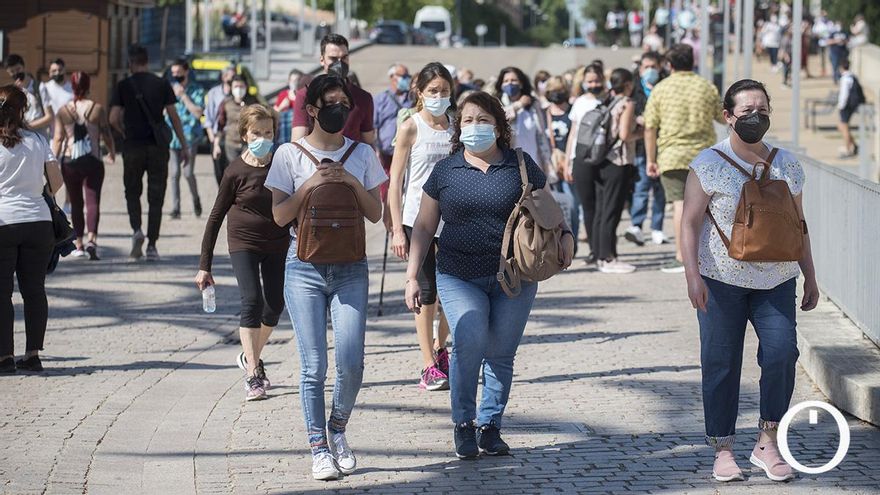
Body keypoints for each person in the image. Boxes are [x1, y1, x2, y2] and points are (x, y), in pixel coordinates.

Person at [404, 91, 574, 460]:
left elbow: (549, 209)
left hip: (515, 275)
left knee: (500, 353)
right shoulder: (446, 171)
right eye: (467, 120)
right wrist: (412, 274)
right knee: (468, 342)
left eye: (483, 120)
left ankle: (490, 426)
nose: (475, 127)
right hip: (458, 273)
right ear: (457, 127)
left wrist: (566, 236)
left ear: (499, 126)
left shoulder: (520, 164)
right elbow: (423, 225)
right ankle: (463, 425)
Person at [681, 79, 818, 483]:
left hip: (777, 279)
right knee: (721, 364)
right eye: (746, 112)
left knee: (781, 355)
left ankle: (767, 441)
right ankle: (723, 447)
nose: (756, 118)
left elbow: (800, 225)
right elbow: (689, 223)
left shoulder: (788, 164)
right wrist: (692, 276)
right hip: (719, 279)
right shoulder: (706, 164)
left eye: (763, 110)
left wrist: (811, 274)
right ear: (728, 117)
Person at [265, 74, 386, 480]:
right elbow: (280, 215)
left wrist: (349, 180)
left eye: (343, 102)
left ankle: (337, 429)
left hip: (352, 267)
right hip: (303, 269)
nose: (338, 109)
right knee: (313, 366)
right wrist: (310, 186)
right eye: (329, 102)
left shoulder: (363, 153)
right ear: (311, 109)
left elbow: (376, 213)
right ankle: (318, 446)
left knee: (351, 363)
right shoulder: (288, 153)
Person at [196, 104, 289, 402]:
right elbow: (215, 217)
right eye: (257, 132)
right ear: (245, 135)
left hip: (276, 242)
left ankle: (251, 355)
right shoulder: (235, 171)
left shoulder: (281, 164)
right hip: (243, 243)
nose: (263, 137)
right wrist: (204, 265)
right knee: (252, 300)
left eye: (268, 132)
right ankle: (252, 374)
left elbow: (295, 204)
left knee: (274, 305)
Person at [387, 62, 454, 392]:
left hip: (455, 219)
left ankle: (443, 349)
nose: (440, 97)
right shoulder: (411, 127)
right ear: (420, 93)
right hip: (418, 220)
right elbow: (395, 181)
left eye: (444, 91)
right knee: (427, 293)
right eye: (433, 92)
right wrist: (397, 228)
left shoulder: (457, 127)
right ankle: (428, 362)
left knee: (452, 291)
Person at [0, 84, 64, 374]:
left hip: (4, 222)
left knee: (2, 293)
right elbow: (56, 181)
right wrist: (38, 192)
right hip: (39, 222)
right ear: (23, 109)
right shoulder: (37, 140)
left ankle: (4, 358)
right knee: (34, 290)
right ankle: (33, 355)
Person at [644, 44, 724, 274]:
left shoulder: (661, 89)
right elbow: (721, 116)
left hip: (671, 155)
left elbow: (650, 127)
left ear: (669, 65)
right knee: (706, 207)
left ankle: (682, 255)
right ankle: (706, 254)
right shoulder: (706, 87)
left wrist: (651, 158)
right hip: (704, 156)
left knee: (679, 204)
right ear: (693, 62)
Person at [110, 45, 188, 262]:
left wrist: (124, 132)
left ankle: (137, 230)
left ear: (131, 63)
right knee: (157, 197)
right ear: (147, 62)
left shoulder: (123, 86)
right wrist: (184, 145)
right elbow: (173, 116)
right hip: (158, 147)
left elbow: (113, 118)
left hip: (133, 146)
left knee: (132, 192)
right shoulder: (162, 84)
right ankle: (152, 245)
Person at [50, 71, 115, 260]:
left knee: (76, 203)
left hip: (70, 162)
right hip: (93, 160)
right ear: (88, 86)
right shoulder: (97, 108)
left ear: (72, 86)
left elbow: (58, 138)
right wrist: (111, 151)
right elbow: (106, 134)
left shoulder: (63, 111)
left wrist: (52, 160)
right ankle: (92, 241)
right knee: (93, 201)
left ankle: (78, 243)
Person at [592, 69, 640, 274]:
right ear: (628, 84)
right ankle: (608, 257)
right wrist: (641, 132)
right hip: (618, 161)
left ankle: (602, 255)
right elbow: (624, 134)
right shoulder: (627, 103)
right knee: (612, 210)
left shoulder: (608, 101)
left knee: (603, 210)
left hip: (602, 160)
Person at [291, 34, 376, 145]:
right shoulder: (306, 94)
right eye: (333, 58)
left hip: (350, 161)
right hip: (317, 160)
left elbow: (368, 141)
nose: (340, 63)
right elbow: (298, 142)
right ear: (322, 60)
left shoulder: (363, 98)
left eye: (344, 57)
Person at [625, 51, 668, 247]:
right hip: (642, 145)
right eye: (646, 67)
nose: (650, 70)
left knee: (661, 189)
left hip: (665, 145)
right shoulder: (634, 88)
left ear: (660, 67)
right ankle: (636, 225)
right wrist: (637, 119)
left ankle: (657, 228)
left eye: (653, 66)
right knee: (642, 187)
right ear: (640, 69)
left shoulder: (666, 86)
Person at [566, 63, 606, 263]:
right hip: (580, 158)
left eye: (597, 80)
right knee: (588, 206)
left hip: (604, 158)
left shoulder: (608, 100)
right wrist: (568, 161)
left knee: (603, 205)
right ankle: (593, 248)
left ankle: (603, 248)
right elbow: (572, 133)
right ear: (583, 83)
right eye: (590, 81)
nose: (594, 84)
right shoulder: (580, 103)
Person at [495, 67, 552, 184]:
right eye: (506, 81)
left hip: (534, 162)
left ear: (521, 83)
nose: (510, 84)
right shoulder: (497, 103)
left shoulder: (533, 104)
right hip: (509, 164)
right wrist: (518, 105)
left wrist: (547, 161)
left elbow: (541, 133)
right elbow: (501, 120)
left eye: (514, 80)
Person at [545, 76, 581, 248]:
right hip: (550, 165)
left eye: (559, 90)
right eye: (552, 91)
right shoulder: (544, 112)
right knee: (555, 205)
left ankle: (572, 241)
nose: (556, 94)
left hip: (569, 164)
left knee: (572, 204)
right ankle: (558, 243)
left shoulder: (572, 111)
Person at [166, 59, 205, 220]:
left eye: (178, 73)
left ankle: (196, 200)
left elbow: (198, 113)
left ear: (186, 71)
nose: (175, 76)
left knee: (188, 173)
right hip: (172, 137)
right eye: (173, 73)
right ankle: (176, 208)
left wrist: (183, 96)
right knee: (174, 173)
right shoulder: (168, 89)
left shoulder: (197, 90)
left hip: (190, 138)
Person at [374, 63, 413, 199]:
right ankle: (389, 219)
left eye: (408, 76)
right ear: (392, 77)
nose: (406, 79)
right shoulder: (381, 99)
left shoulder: (412, 98)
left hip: (406, 153)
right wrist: (376, 152)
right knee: (386, 192)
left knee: (404, 190)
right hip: (386, 154)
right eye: (403, 76)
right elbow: (374, 126)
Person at [214, 75, 259, 171]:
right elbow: (220, 125)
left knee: (246, 170)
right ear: (231, 88)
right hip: (231, 144)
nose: (239, 89)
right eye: (236, 87)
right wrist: (216, 145)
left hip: (248, 144)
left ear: (246, 87)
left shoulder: (253, 102)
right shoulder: (226, 103)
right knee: (234, 171)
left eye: (241, 86)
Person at [4, 54, 53, 132]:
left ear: (23, 67)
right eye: (12, 71)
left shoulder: (39, 87)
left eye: (18, 69)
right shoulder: (13, 91)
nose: (15, 73)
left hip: (39, 134)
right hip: (22, 135)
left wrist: (27, 126)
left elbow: (49, 117)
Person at [205, 66, 236, 185]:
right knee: (219, 173)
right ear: (224, 77)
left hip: (232, 138)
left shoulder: (237, 93)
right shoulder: (214, 93)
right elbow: (208, 117)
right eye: (231, 76)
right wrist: (212, 139)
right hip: (217, 137)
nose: (234, 79)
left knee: (232, 172)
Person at [837, 59, 864, 158]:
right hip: (851, 105)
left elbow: (844, 94)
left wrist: (840, 106)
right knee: (842, 126)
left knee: (844, 128)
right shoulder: (852, 76)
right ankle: (854, 145)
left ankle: (848, 149)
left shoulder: (845, 79)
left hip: (846, 106)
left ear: (841, 67)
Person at [275, 69, 305, 145]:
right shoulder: (283, 94)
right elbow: (274, 113)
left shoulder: (304, 96)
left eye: (297, 80)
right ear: (288, 81)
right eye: (292, 80)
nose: (295, 83)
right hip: (283, 134)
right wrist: (281, 107)